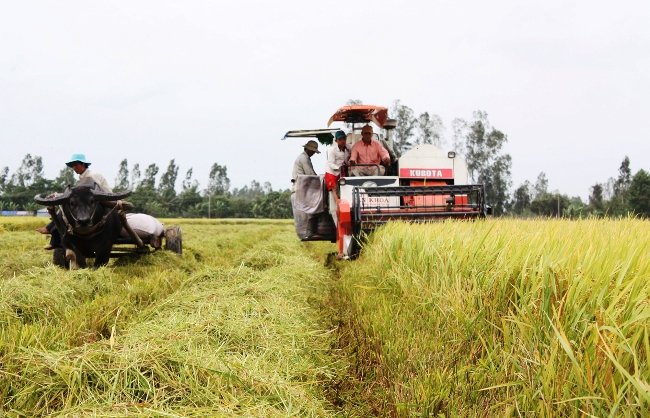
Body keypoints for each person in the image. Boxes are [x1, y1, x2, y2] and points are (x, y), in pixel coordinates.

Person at [37, 153, 112, 249]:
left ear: (83, 164)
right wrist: (58, 195)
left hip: (101, 200)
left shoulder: (92, 176)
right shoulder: (82, 178)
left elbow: (90, 193)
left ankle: (50, 230)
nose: (74, 168)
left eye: (76, 165)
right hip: (87, 202)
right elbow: (78, 194)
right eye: (72, 165)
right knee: (65, 210)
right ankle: (56, 234)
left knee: (63, 211)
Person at [325, 130, 351, 225]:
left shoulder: (348, 148)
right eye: (340, 139)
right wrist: (338, 168)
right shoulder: (333, 150)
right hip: (332, 172)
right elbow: (330, 163)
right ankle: (338, 202)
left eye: (344, 139)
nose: (342, 141)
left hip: (341, 172)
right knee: (334, 191)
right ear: (336, 141)